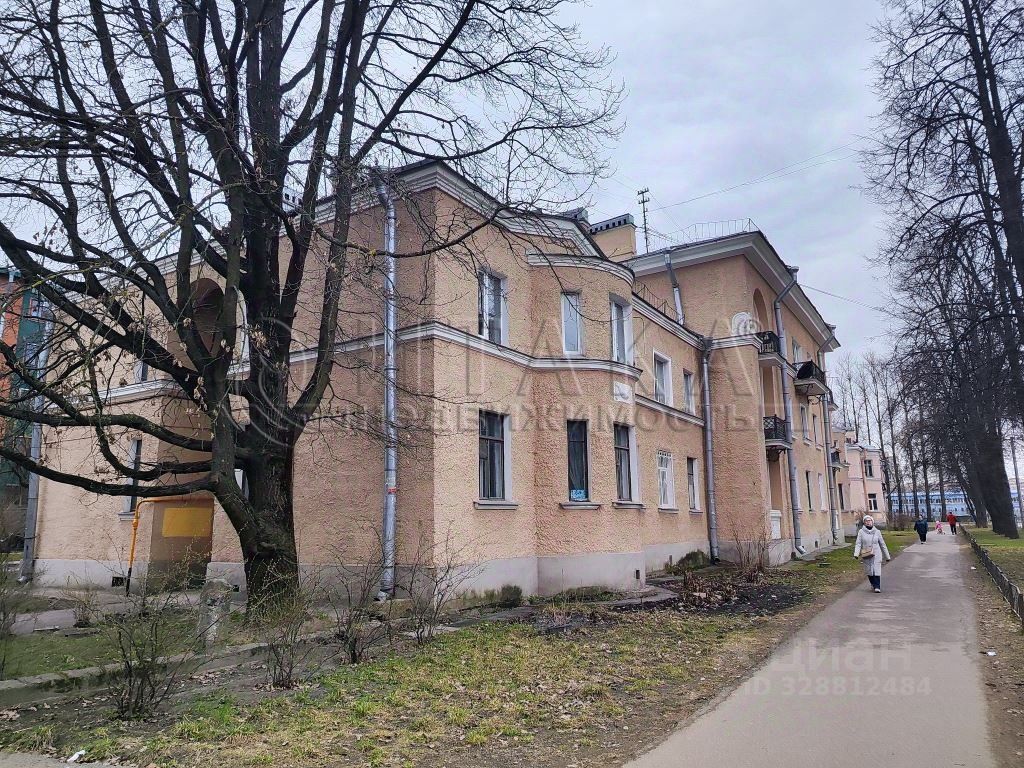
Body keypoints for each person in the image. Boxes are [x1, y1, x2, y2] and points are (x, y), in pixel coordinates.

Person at [854, 515, 892, 592]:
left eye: (869, 520)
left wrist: (887, 556)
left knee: (876, 570)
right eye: (866, 521)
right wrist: (856, 554)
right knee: (869, 571)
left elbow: (882, 544)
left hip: (876, 553)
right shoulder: (861, 532)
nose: (868, 522)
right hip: (866, 554)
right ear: (864, 523)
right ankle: (873, 584)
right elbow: (858, 543)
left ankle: (877, 587)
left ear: (872, 522)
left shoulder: (877, 532)